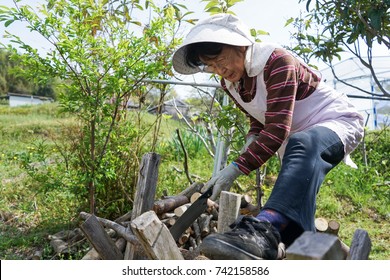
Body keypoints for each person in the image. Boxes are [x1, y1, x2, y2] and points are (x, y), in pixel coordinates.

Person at [172, 13, 364, 260]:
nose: (220, 70)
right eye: (212, 67)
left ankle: (264, 229)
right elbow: (259, 117)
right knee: (296, 215)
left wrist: (237, 168)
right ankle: (299, 251)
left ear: (240, 45)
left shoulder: (277, 61)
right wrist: (253, 136)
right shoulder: (230, 85)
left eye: (221, 60)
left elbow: (276, 129)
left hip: (335, 122)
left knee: (302, 143)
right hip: (296, 142)